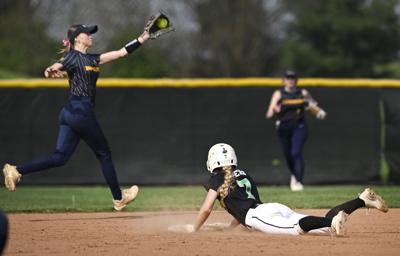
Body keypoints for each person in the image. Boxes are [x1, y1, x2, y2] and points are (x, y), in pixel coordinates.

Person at [2, 24, 152, 211]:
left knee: (60, 157)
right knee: (104, 154)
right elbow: (60, 64)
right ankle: (118, 198)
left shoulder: (92, 58)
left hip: (70, 114)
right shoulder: (73, 56)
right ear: (77, 39)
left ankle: (16, 170)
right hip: (80, 112)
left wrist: (142, 38)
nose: (91, 36)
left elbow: (121, 53)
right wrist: (50, 69)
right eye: (87, 33)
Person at [182, 143, 388, 236]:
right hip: (272, 208)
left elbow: (207, 209)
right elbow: (245, 205)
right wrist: (229, 229)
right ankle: (362, 200)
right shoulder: (243, 174)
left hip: (258, 217)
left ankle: (333, 220)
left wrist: (195, 228)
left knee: (298, 229)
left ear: (212, 161)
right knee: (323, 228)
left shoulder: (217, 178)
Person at [266, 70, 327, 191]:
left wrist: (317, 110)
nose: (290, 80)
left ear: (296, 80)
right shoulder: (278, 94)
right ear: (283, 80)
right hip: (283, 128)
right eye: (288, 78)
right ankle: (294, 175)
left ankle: (299, 180)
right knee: (288, 155)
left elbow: (313, 105)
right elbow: (269, 114)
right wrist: (274, 109)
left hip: (299, 126)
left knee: (296, 152)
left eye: (292, 78)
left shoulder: (302, 92)